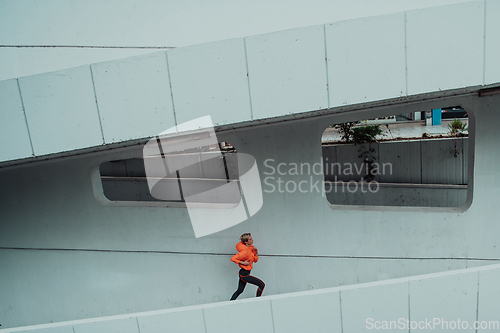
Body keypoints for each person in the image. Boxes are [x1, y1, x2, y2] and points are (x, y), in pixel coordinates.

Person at [229, 233, 265, 300]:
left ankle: (230, 302)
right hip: (244, 274)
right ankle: (258, 301)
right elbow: (233, 258)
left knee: (240, 290)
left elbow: (255, 260)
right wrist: (243, 262)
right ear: (246, 242)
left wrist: (256, 253)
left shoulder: (250, 249)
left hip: (246, 273)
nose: (252, 240)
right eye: (250, 239)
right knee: (261, 284)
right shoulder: (245, 252)